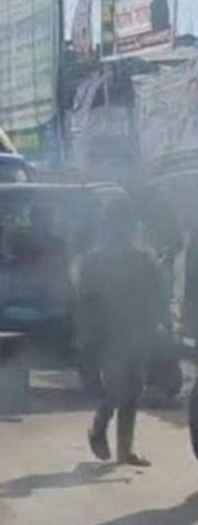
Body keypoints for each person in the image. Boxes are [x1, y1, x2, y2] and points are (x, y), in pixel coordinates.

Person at [79, 198, 166, 468]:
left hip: (137, 333)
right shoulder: (96, 260)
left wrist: (158, 324)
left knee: (133, 393)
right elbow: (86, 300)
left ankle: (125, 451)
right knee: (116, 391)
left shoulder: (143, 257)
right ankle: (98, 429)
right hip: (111, 335)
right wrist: (87, 334)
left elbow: (158, 295)